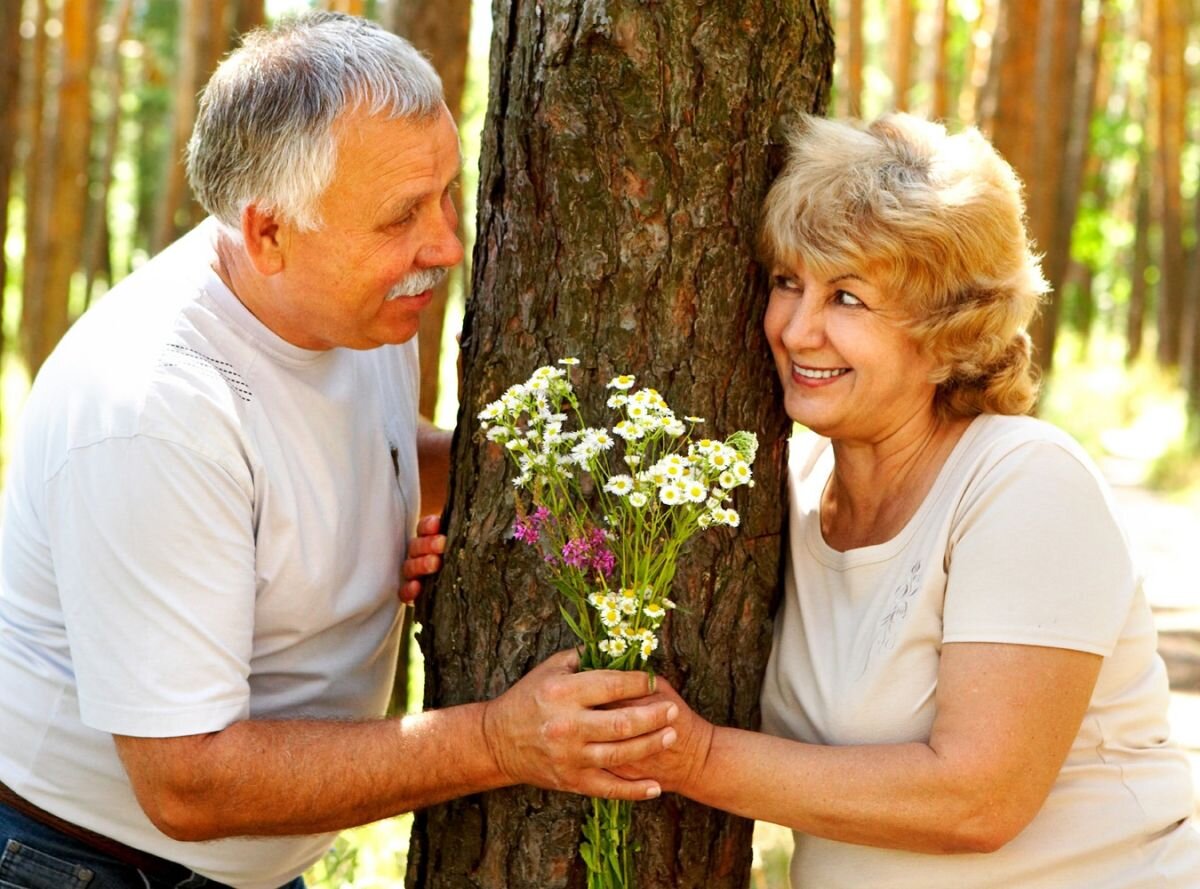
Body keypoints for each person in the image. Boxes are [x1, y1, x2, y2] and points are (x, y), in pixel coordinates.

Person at [0, 13, 677, 889]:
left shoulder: (364, 308)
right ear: (270, 233)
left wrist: (463, 506)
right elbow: (188, 782)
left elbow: (364, 453)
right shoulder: (157, 409)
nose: (443, 246)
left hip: (241, 862)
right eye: (400, 216)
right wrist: (496, 738)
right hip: (87, 866)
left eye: (445, 193)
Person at [607, 113, 1200, 886]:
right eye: (789, 282)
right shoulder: (784, 491)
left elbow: (977, 799)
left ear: (947, 328)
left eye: (848, 298)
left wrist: (696, 757)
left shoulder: (1024, 483)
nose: (797, 328)